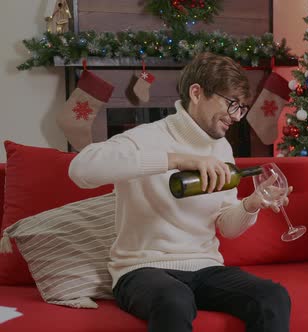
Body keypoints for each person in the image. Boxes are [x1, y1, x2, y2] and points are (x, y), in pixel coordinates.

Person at [69, 52, 291, 332]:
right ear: (196, 93)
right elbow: (80, 170)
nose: (236, 117)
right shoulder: (146, 137)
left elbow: (226, 225)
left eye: (241, 108)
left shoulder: (222, 149)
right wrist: (174, 160)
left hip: (205, 267)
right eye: (231, 104)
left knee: (272, 297)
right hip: (141, 269)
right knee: (174, 298)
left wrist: (251, 204)